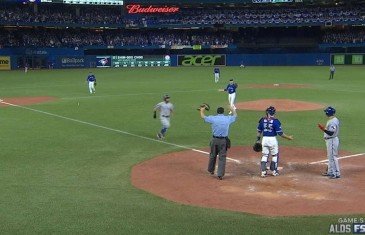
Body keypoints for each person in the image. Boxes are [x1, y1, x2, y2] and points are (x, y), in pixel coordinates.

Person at [199, 105, 237, 180]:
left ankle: (211, 170)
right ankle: (220, 174)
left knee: (212, 155)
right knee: (222, 157)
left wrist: (202, 110)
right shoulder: (227, 118)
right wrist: (232, 110)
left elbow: (203, 117)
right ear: (223, 112)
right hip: (223, 141)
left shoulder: (213, 118)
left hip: (214, 140)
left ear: (217, 112)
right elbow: (235, 116)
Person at [256, 106, 293, 177]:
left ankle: (263, 172)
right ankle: (274, 171)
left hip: (264, 139)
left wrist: (258, 140)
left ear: (267, 113)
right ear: (274, 113)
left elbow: (259, 132)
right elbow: (280, 134)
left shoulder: (262, 120)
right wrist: (288, 137)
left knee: (265, 155)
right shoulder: (276, 121)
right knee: (274, 155)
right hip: (272, 140)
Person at [317, 106, 341, 179]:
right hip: (330, 140)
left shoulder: (333, 121)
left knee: (333, 157)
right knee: (330, 156)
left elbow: (331, 133)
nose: (325, 113)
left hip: (332, 140)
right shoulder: (333, 119)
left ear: (329, 112)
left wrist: (323, 129)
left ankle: (336, 173)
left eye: (326, 111)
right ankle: (330, 172)